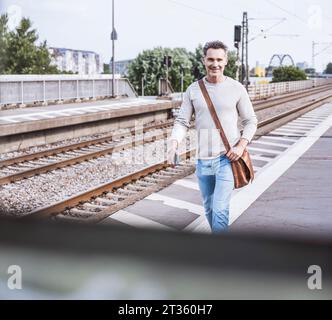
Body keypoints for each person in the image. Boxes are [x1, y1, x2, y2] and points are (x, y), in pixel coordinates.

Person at [167, 41, 258, 233]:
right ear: (204, 60)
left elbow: (251, 121)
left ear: (226, 61)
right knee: (209, 208)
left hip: (227, 159)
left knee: (220, 209)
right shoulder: (193, 90)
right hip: (203, 160)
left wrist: (241, 146)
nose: (214, 64)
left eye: (219, 59)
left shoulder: (236, 88)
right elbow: (182, 121)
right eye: (210, 59)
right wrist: (173, 144)